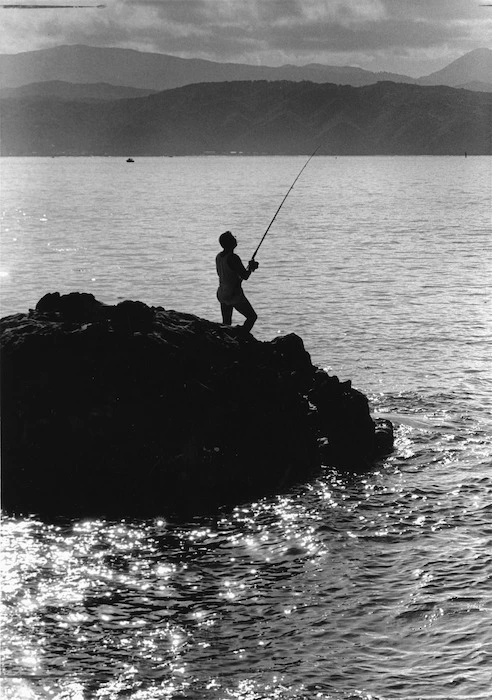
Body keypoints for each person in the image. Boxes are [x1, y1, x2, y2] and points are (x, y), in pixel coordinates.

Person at [216, 230, 259, 332]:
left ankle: (227, 341)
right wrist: (251, 267)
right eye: (233, 237)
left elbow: (225, 275)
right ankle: (242, 337)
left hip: (222, 293)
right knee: (252, 317)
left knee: (226, 323)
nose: (235, 238)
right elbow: (245, 276)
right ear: (231, 243)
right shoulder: (233, 258)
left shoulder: (219, 257)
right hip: (234, 295)